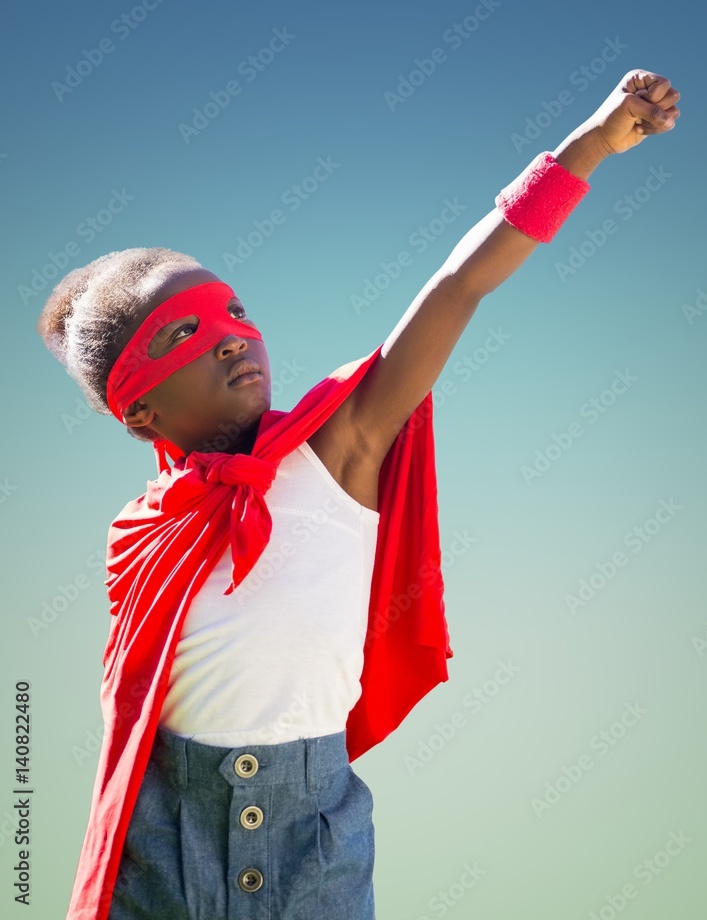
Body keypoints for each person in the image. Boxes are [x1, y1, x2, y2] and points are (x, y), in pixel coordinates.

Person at [37, 68, 679, 920]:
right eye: (184, 333)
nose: (231, 340)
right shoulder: (143, 531)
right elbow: (132, 716)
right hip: (165, 843)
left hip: (314, 840)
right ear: (139, 408)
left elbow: (457, 289)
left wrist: (587, 148)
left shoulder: (340, 448)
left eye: (232, 314)